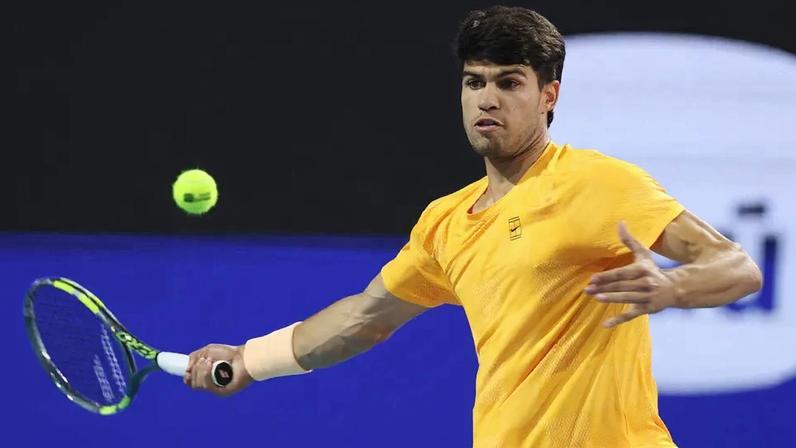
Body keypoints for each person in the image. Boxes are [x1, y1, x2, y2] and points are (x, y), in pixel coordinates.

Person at [183, 6, 762, 447]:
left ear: (548, 96)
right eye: (474, 81)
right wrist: (250, 359)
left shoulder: (597, 182)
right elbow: (364, 318)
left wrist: (674, 287)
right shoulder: (446, 223)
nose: (488, 98)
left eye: (509, 82)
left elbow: (737, 266)